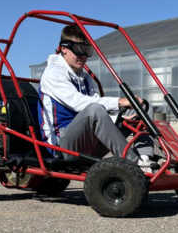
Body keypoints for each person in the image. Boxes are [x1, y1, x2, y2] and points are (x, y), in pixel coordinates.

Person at [38, 25, 155, 170]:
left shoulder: (85, 78)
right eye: (79, 50)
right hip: (61, 145)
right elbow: (79, 103)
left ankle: (145, 160)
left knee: (142, 107)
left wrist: (120, 119)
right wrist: (119, 102)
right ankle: (134, 164)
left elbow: (99, 114)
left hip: (86, 140)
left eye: (87, 51)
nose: (83, 56)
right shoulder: (53, 73)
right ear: (64, 48)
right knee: (94, 109)